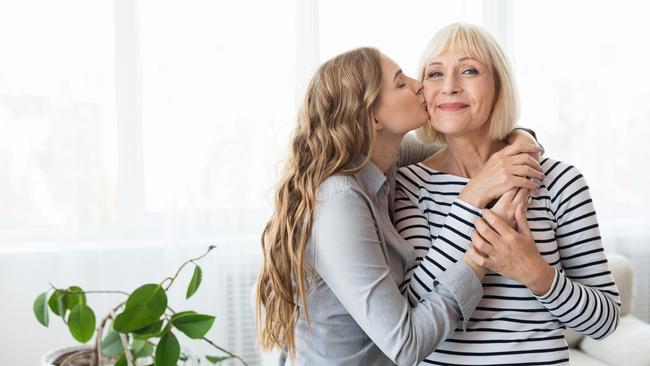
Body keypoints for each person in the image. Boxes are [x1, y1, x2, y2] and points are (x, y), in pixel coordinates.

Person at [255, 47, 543, 366]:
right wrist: (479, 253)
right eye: (400, 82)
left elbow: (469, 148)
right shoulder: (339, 199)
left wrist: (520, 139)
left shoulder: (384, 161)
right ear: (374, 117)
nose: (418, 83)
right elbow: (406, 345)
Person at [395, 23, 620, 365]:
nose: (450, 87)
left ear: (499, 86)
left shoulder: (560, 182)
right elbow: (412, 309)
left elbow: (605, 322)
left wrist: (533, 271)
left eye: (469, 70)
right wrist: (471, 198)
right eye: (435, 73)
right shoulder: (409, 185)